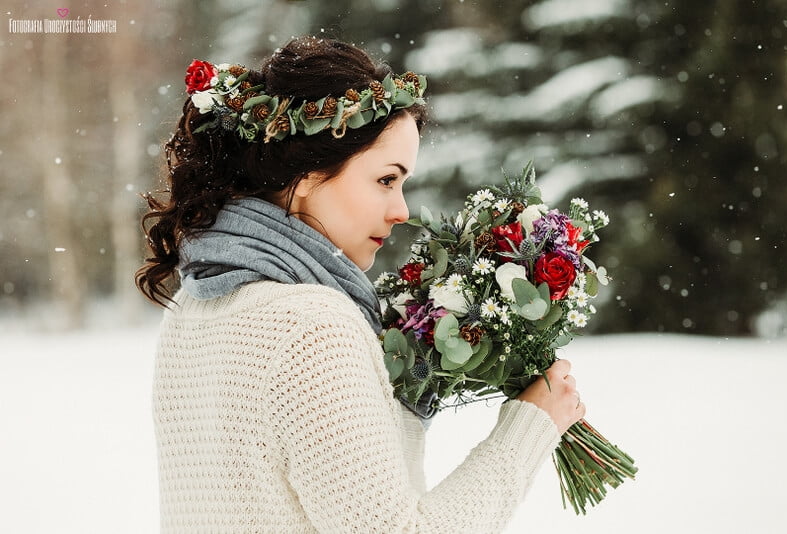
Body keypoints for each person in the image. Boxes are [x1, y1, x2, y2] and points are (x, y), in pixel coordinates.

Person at [136, 36, 586, 533]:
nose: (402, 211)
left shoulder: (192, 307)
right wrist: (529, 426)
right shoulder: (310, 326)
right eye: (386, 180)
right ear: (307, 173)